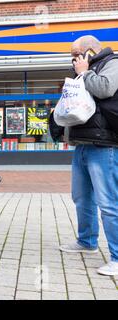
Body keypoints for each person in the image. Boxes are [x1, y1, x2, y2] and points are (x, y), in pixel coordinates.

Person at [58, 35, 118, 276]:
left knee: (108, 203)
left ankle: (117, 256)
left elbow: (105, 89)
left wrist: (84, 73)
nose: (74, 61)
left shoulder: (112, 63)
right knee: (81, 198)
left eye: (77, 55)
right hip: (82, 145)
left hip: (104, 146)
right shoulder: (85, 70)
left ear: (91, 51)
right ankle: (87, 241)